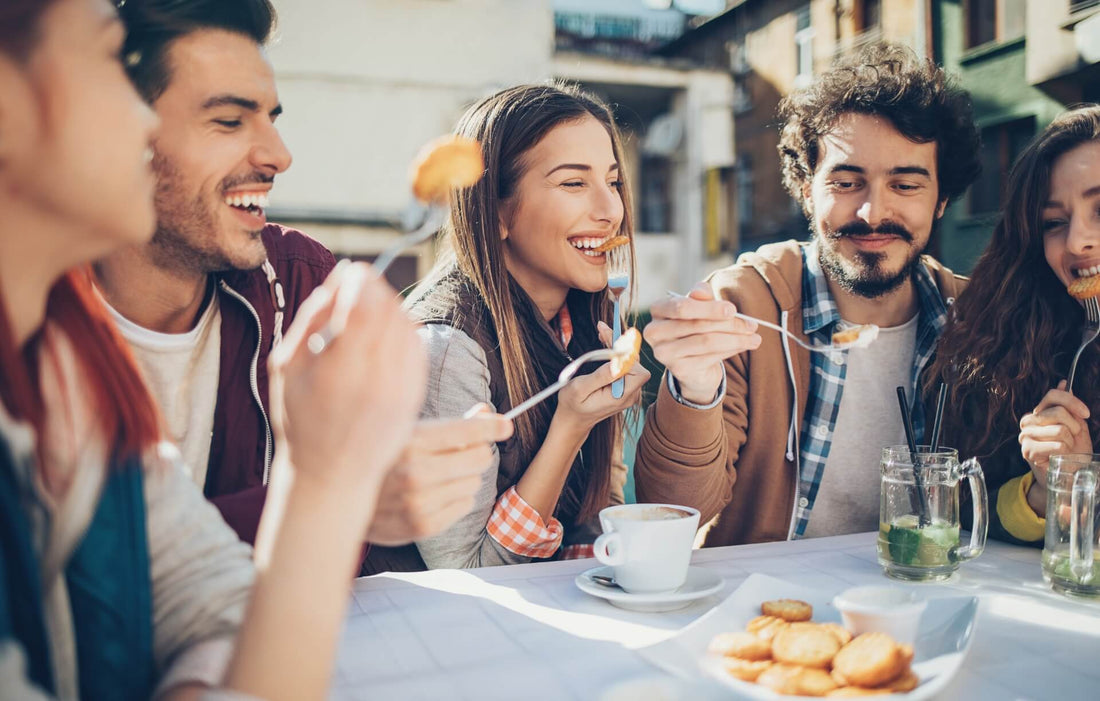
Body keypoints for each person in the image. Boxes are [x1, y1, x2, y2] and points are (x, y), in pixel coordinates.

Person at [0, 1, 442, 698]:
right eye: (229, 120)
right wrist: (325, 484)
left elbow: (200, 592)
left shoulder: (71, 369)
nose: (279, 156)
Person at [93, 0, 508, 554]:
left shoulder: (301, 283)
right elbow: (63, 569)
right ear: (119, 132)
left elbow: (348, 551)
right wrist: (325, 496)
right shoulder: (33, 312)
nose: (279, 156)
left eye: (271, 118)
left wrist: (391, 483)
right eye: (229, 120)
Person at [634, 43, 981, 546]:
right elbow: (674, 508)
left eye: (905, 185)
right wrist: (694, 387)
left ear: (942, 199)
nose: (871, 213)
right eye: (846, 181)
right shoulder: (741, 305)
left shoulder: (976, 320)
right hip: (765, 607)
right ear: (805, 188)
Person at [384, 83, 650, 570]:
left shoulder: (582, 326)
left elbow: (592, 521)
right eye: (574, 183)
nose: (611, 210)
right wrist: (570, 428)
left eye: (612, 182)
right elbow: (466, 574)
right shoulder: (447, 346)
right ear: (498, 211)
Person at [929, 105, 1100, 545]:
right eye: (1054, 223)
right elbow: (969, 511)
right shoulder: (1025, 349)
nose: (1079, 240)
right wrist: (1051, 487)